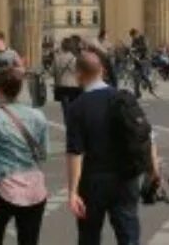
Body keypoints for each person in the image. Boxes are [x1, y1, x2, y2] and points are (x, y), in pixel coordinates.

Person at [67, 49, 160, 245]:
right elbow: (146, 135)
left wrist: (73, 192)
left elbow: (75, 153)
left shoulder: (77, 107)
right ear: (102, 70)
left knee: (89, 237)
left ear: (78, 74)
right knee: (128, 236)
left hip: (92, 181)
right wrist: (153, 171)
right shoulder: (125, 99)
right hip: (126, 177)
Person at [0, 68, 50, 245]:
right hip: (34, 189)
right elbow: (44, 154)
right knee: (29, 240)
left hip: (3, 187)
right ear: (21, 88)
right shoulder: (38, 116)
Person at [52, 36, 82, 124]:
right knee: (74, 107)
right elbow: (78, 72)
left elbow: (54, 72)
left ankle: (68, 125)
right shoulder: (75, 59)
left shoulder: (57, 58)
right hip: (74, 86)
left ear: (62, 46)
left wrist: (56, 83)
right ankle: (74, 124)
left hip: (62, 86)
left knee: (65, 109)